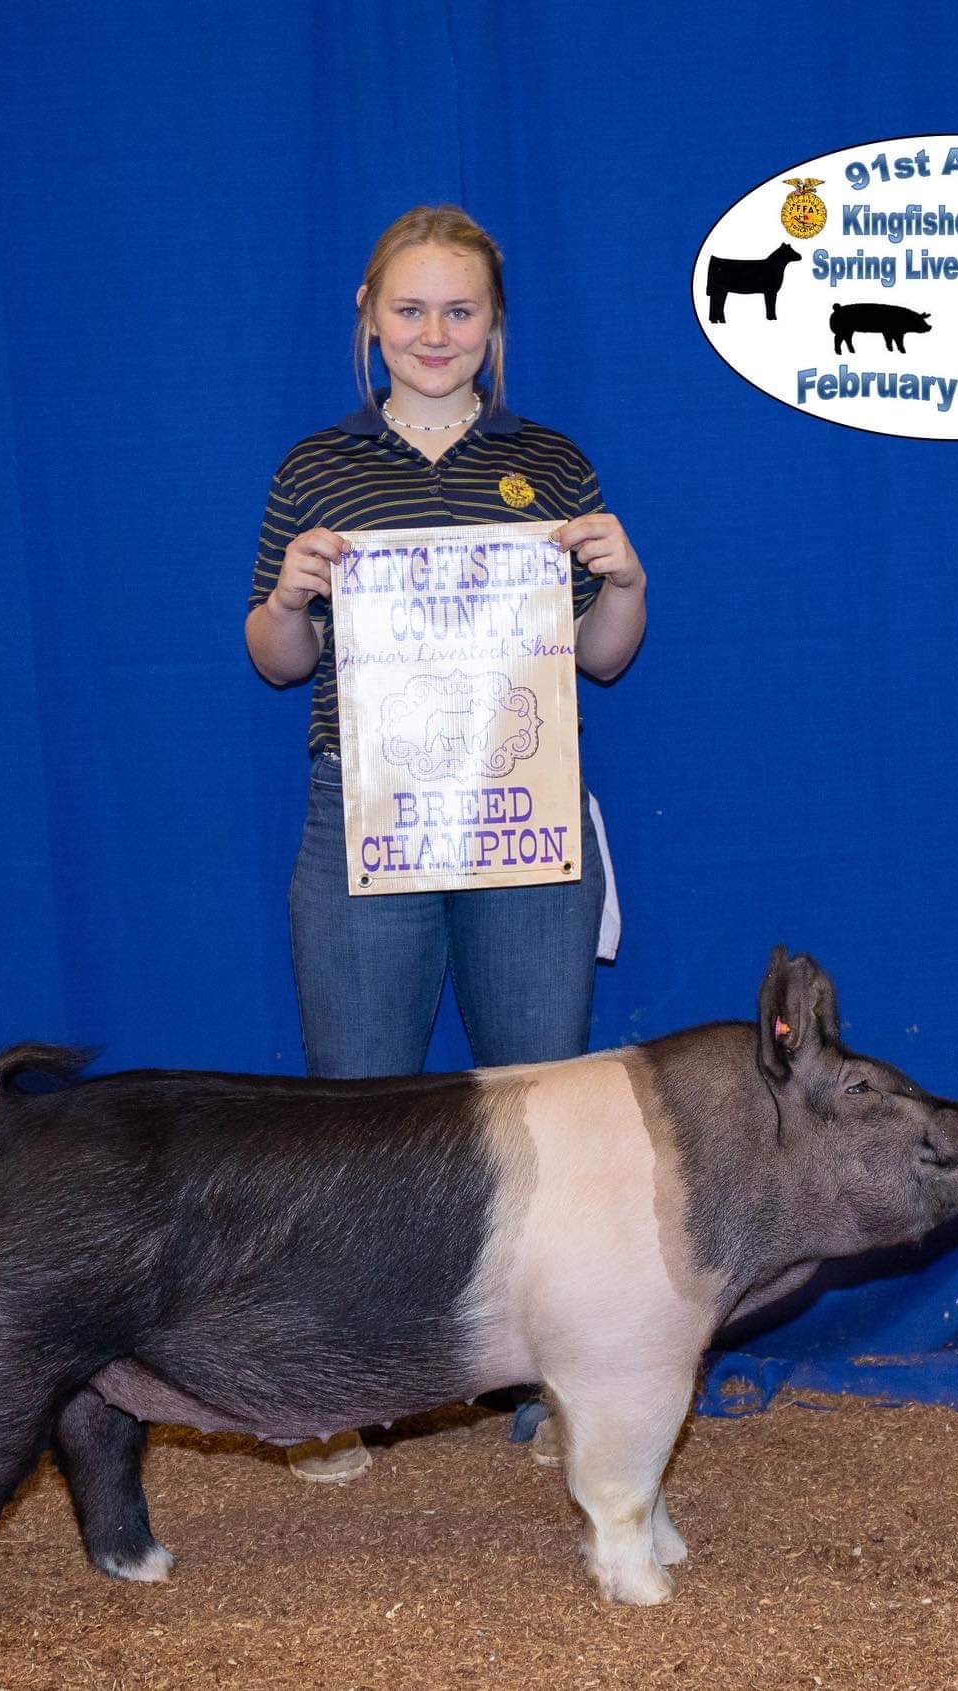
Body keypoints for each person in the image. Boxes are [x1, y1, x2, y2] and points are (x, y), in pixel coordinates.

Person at [245, 206, 647, 1482]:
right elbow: (276, 661)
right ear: (368, 318)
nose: (434, 332)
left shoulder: (552, 461)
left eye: (459, 310)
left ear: (495, 325)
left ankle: (549, 1383)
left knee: (543, 1115)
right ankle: (332, 1388)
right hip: (363, 809)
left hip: (524, 816)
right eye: (410, 309)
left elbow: (602, 659)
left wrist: (625, 580)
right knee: (355, 1116)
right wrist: (288, 594)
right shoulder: (316, 466)